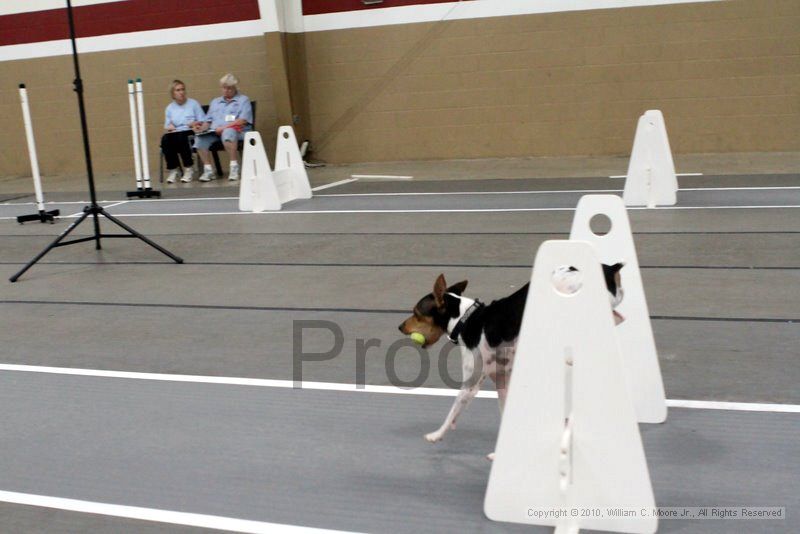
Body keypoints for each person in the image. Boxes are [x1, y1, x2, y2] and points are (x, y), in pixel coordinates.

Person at [194, 73, 253, 182]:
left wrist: (224, 128)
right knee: (200, 139)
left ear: (235, 88)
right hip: (215, 132)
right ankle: (208, 170)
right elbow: (208, 120)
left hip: (237, 131)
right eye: (224, 88)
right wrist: (201, 128)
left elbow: (242, 120)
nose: (226, 90)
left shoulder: (243, 100)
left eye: (229, 88)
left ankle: (234, 167)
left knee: (228, 132)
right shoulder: (215, 102)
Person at [161, 80, 205, 183]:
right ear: (173, 93)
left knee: (182, 137)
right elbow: (168, 124)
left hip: (190, 131)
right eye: (178, 90)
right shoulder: (169, 108)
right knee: (165, 139)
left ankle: (188, 168)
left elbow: (203, 120)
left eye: (183, 89)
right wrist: (170, 126)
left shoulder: (193, 104)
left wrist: (195, 123)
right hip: (176, 132)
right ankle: (173, 169)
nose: (181, 92)